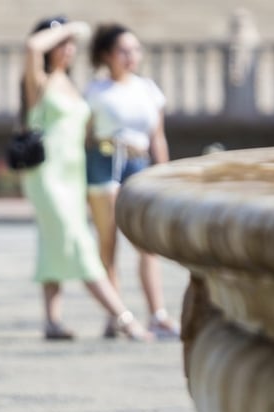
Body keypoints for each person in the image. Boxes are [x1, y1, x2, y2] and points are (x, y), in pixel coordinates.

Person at [20, 16, 150, 341]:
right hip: (47, 175)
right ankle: (124, 317)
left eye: (70, 45)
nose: (67, 49)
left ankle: (52, 321)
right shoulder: (39, 81)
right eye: (61, 44)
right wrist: (69, 28)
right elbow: (31, 46)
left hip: (74, 174)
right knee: (78, 242)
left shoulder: (73, 84)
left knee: (52, 243)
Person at [84, 23, 181, 340]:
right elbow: (85, 135)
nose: (131, 57)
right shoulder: (95, 91)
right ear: (107, 55)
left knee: (145, 243)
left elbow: (158, 136)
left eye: (135, 50)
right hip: (105, 160)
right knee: (108, 243)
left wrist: (164, 175)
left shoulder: (148, 89)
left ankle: (158, 313)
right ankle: (117, 315)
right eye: (124, 51)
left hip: (138, 162)